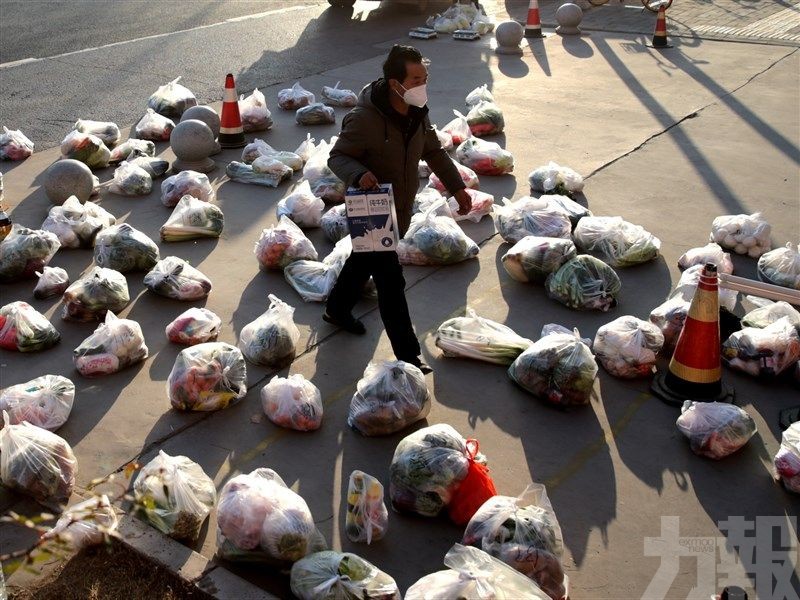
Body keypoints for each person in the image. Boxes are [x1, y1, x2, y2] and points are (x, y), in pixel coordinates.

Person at [323, 44, 472, 374]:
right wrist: (359, 174)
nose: (423, 85)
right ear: (395, 83)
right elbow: (337, 156)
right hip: (372, 206)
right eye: (416, 79)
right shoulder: (364, 119)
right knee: (391, 280)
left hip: (401, 205)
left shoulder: (417, 112)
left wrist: (458, 187)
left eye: (425, 77)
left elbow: (433, 152)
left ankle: (336, 307)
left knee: (365, 259)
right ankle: (409, 354)